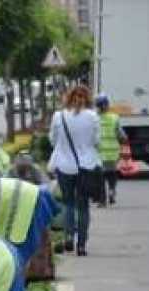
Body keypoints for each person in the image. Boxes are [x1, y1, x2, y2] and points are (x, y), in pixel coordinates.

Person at [49, 85, 100, 256]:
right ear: (87, 98)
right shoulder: (93, 116)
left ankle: (68, 236)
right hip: (86, 166)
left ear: (68, 98)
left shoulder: (58, 116)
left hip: (64, 166)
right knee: (83, 206)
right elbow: (96, 141)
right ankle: (82, 245)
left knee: (68, 203)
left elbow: (52, 140)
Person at [95, 93, 127, 206]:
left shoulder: (94, 118)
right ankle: (112, 190)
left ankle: (102, 200)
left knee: (101, 177)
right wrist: (123, 140)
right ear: (107, 105)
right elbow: (122, 136)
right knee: (112, 174)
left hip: (99, 153)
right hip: (113, 153)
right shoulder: (114, 118)